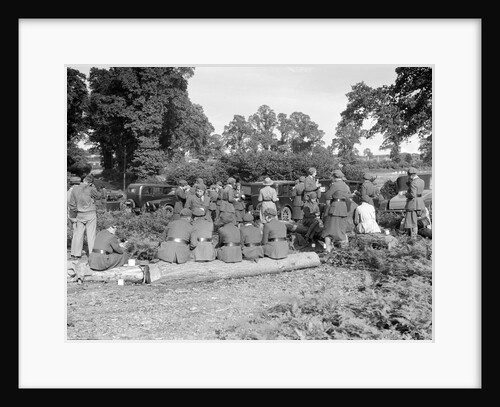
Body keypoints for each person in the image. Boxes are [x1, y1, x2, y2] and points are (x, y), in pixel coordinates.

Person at [68, 173, 104, 259]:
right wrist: (98, 188)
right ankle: (92, 255)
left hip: (80, 214)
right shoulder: (91, 188)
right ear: (90, 183)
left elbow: (72, 204)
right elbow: (99, 196)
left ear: (83, 181)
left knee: (79, 234)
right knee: (91, 235)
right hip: (90, 213)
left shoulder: (74, 189)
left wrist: (73, 216)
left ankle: (76, 254)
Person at [321, 170, 351, 252]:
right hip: (343, 207)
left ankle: (328, 248)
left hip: (335, 207)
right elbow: (348, 197)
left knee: (329, 228)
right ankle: (344, 247)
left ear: (334, 177)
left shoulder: (335, 185)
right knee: (341, 228)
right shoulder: (345, 186)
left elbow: (327, 195)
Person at [403, 167, 426, 239]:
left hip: (413, 204)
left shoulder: (413, 183)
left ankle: (414, 238)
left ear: (410, 175)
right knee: (416, 220)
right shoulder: (422, 181)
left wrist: (406, 194)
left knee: (412, 222)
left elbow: (412, 195)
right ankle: (415, 237)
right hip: (420, 202)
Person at [67, 176, 81, 258]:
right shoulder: (76, 192)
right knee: (78, 234)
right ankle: (76, 253)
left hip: (70, 215)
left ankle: (73, 252)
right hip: (76, 215)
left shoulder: (68, 191)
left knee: (75, 233)